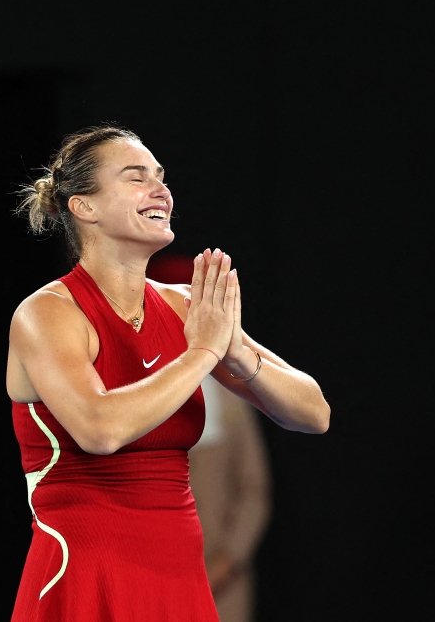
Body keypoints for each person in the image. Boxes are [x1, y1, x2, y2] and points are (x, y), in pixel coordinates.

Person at [6, 126, 329, 621]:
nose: (161, 189)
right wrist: (203, 351)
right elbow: (100, 429)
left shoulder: (183, 307)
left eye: (161, 177)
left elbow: (314, 413)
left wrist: (239, 357)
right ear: (84, 207)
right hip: (87, 571)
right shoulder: (47, 312)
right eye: (137, 177)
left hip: (179, 573)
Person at [149, 254, 273, 622]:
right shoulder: (134, 387)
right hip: (151, 580)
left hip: (221, 585)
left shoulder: (232, 392)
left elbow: (253, 487)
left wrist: (227, 560)